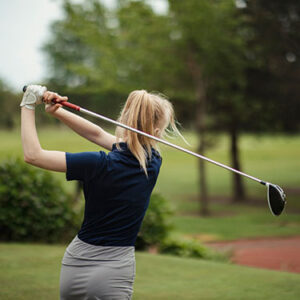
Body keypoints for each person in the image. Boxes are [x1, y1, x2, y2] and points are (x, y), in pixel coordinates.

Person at [20, 85, 182, 300]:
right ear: (156, 134)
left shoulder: (96, 163)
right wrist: (57, 111)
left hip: (75, 262)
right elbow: (98, 135)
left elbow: (34, 155)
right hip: (114, 270)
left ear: (123, 121)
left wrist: (28, 104)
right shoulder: (152, 163)